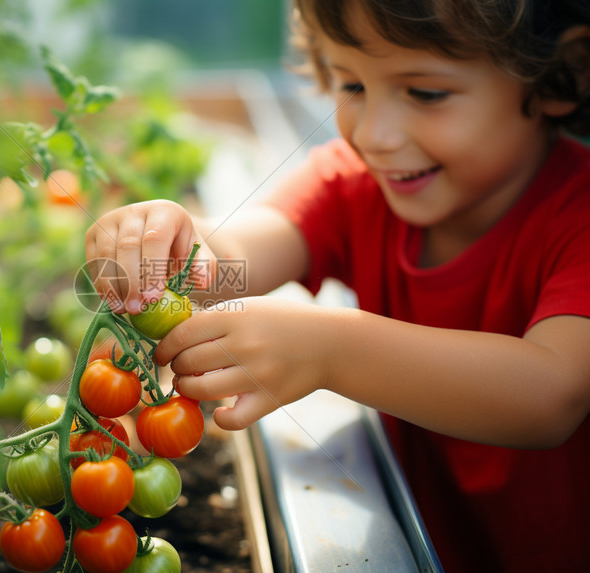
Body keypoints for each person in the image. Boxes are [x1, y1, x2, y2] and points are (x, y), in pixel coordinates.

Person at [84, 0, 590, 571]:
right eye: (351, 84)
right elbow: (234, 263)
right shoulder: (352, 188)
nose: (374, 134)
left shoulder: (580, 222)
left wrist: (334, 351)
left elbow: (553, 395)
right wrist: (165, 256)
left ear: (561, 73)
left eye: (425, 93)